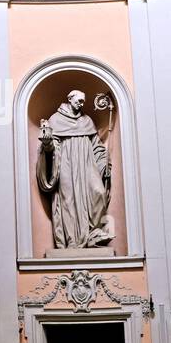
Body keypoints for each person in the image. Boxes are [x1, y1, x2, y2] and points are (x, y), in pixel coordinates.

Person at [38, 90, 114, 249]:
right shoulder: (55, 120)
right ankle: (72, 240)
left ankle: (94, 233)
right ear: (69, 99)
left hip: (86, 165)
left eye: (83, 101)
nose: (81, 104)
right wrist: (47, 143)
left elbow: (97, 146)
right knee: (68, 200)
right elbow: (50, 148)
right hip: (66, 164)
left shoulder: (87, 121)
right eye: (79, 100)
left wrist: (103, 162)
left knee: (99, 191)